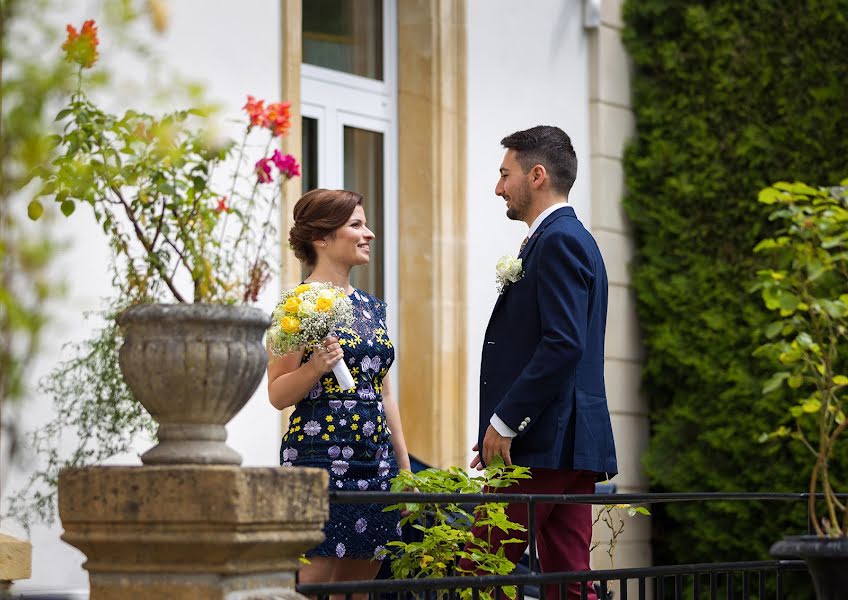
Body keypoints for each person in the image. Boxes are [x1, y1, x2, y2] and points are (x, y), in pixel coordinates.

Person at [468, 126, 617, 600]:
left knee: (475, 569)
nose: (498, 188)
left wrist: (505, 423)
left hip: (542, 443)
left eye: (504, 174)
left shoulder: (558, 240)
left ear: (536, 176)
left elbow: (563, 343)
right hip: (570, 443)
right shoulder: (574, 239)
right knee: (569, 580)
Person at [267, 188, 410, 594]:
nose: (370, 234)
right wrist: (315, 367)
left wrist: (403, 470)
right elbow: (277, 393)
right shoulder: (296, 304)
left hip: (374, 458)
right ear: (322, 238)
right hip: (319, 457)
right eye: (356, 225)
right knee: (313, 580)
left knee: (361, 585)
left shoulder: (373, 307)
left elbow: (386, 396)